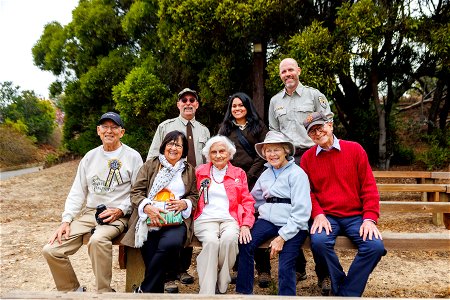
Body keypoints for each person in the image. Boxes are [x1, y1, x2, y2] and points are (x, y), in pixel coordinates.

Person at [42, 112, 143, 292]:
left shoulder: (132, 156)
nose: (109, 131)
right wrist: (66, 220)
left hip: (118, 215)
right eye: (105, 126)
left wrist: (121, 210)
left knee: (97, 240)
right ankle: (72, 290)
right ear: (98, 130)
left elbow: (138, 192)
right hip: (89, 213)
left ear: (122, 132)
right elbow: (77, 191)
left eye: (114, 127)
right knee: (51, 250)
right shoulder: (89, 157)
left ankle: (104, 292)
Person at [301, 112, 386, 296]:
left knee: (375, 247)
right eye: (312, 131)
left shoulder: (355, 150)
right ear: (309, 136)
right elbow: (307, 192)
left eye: (320, 127)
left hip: (356, 216)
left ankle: (345, 294)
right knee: (320, 243)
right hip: (326, 216)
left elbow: (369, 187)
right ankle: (341, 285)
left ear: (330, 125)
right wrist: (318, 214)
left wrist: (370, 218)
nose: (317, 133)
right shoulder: (307, 159)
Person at [268, 57, 333, 292]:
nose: (288, 74)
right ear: (280, 75)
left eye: (291, 69)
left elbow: (328, 121)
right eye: (283, 71)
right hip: (288, 160)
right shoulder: (275, 101)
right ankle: (298, 267)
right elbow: (274, 132)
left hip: (313, 154)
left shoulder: (314, 95)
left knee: (318, 208)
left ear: (299, 71)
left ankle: (324, 274)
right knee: (288, 210)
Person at [146, 88, 210, 289]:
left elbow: (207, 159)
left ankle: (182, 269)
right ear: (178, 104)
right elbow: (152, 157)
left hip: (193, 184)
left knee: (188, 221)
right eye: (184, 100)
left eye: (192, 100)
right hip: (166, 186)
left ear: (197, 104)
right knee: (168, 226)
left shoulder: (204, 130)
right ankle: (168, 274)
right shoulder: (166, 127)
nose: (188, 103)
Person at [121, 130, 198, 293]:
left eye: (178, 145)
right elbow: (136, 192)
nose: (174, 148)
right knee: (152, 258)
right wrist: (147, 207)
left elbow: (194, 195)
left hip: (175, 220)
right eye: (171, 143)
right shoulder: (150, 165)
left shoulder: (188, 169)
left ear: (183, 150)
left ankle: (143, 289)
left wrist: (184, 203)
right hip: (149, 219)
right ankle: (151, 292)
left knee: (170, 244)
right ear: (163, 146)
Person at [236, 131, 311, 296]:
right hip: (268, 220)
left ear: (286, 151)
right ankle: (243, 293)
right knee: (245, 243)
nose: (272, 154)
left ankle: (285, 297)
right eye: (268, 150)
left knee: (285, 264)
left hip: (293, 223)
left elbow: (302, 212)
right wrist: (245, 221)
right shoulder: (266, 174)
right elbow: (253, 200)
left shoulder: (297, 174)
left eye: (276, 150)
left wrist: (282, 237)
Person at [218, 92, 271, 287]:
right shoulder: (225, 129)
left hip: (257, 180)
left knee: (256, 222)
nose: (237, 109)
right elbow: (221, 154)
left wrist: (248, 177)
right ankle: (239, 267)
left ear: (248, 106)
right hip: (231, 180)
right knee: (235, 219)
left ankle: (264, 269)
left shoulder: (259, 127)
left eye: (241, 105)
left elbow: (264, 153)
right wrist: (235, 178)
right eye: (234, 106)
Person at [194, 135, 255, 294]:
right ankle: (207, 292)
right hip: (205, 218)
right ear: (208, 155)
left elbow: (247, 200)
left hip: (231, 218)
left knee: (229, 240)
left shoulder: (238, 173)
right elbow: (191, 196)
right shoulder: (199, 172)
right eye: (214, 152)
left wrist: (246, 224)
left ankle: (222, 280)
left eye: (222, 151)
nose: (218, 155)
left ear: (229, 153)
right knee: (212, 243)